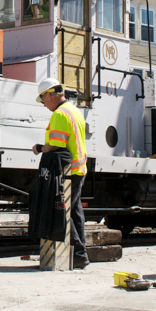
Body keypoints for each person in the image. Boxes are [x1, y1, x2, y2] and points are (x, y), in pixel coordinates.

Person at [31, 77, 89, 269]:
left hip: (67, 173)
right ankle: (81, 255)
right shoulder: (74, 111)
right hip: (78, 169)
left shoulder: (59, 114)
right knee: (75, 212)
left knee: (64, 213)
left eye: (43, 100)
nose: (44, 104)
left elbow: (56, 145)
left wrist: (39, 147)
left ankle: (79, 254)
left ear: (49, 95)